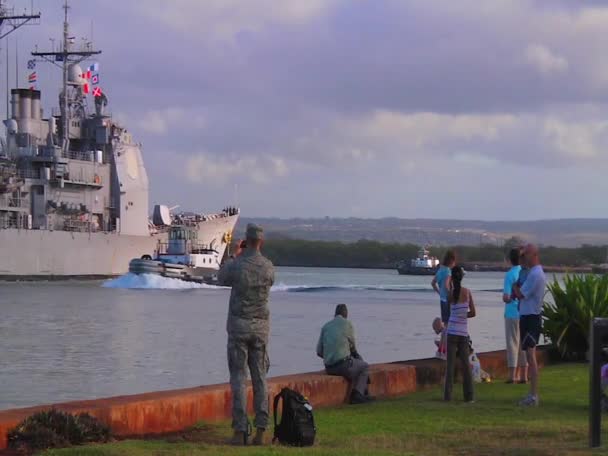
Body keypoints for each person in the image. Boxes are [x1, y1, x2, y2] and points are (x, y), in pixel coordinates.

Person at [217, 223, 275, 446]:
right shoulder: (268, 267)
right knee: (260, 378)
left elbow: (221, 278)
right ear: (261, 242)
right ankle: (261, 430)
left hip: (238, 328)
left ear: (246, 241)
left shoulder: (237, 264)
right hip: (260, 330)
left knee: (239, 379)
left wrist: (234, 254)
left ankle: (240, 431)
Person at [316, 304, 373, 404]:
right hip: (343, 366)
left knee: (355, 363)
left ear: (335, 313)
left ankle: (363, 393)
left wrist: (331, 356)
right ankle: (357, 394)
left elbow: (319, 351)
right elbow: (353, 346)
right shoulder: (347, 324)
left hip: (329, 368)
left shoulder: (325, 326)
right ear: (346, 314)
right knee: (364, 366)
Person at [512, 243, 546, 407]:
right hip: (527, 316)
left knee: (531, 357)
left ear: (533, 255)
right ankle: (532, 394)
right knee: (528, 355)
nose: (524, 258)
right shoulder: (533, 273)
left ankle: (533, 395)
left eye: (526, 255)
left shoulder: (535, 275)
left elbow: (520, 294)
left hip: (531, 318)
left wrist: (514, 286)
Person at [443, 265, 476, 403]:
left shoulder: (451, 294)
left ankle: (448, 396)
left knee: (450, 365)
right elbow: (473, 313)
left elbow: (449, 313)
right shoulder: (467, 292)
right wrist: (464, 315)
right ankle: (469, 396)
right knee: (466, 365)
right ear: (462, 277)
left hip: (451, 332)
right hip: (463, 333)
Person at [503, 248, 528, 384]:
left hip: (512, 313)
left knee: (512, 343)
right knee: (522, 345)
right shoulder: (524, 272)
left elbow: (506, 297)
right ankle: (523, 375)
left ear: (509, 259)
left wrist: (507, 298)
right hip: (523, 312)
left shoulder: (510, 274)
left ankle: (512, 375)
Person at [432, 250, 456, 357]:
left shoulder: (440, 270)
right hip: (447, 301)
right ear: (452, 261)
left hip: (442, 300)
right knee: (448, 327)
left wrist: (439, 292)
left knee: (445, 326)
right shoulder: (448, 271)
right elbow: (447, 285)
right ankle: (444, 351)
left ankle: (440, 351)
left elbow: (433, 283)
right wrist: (452, 295)